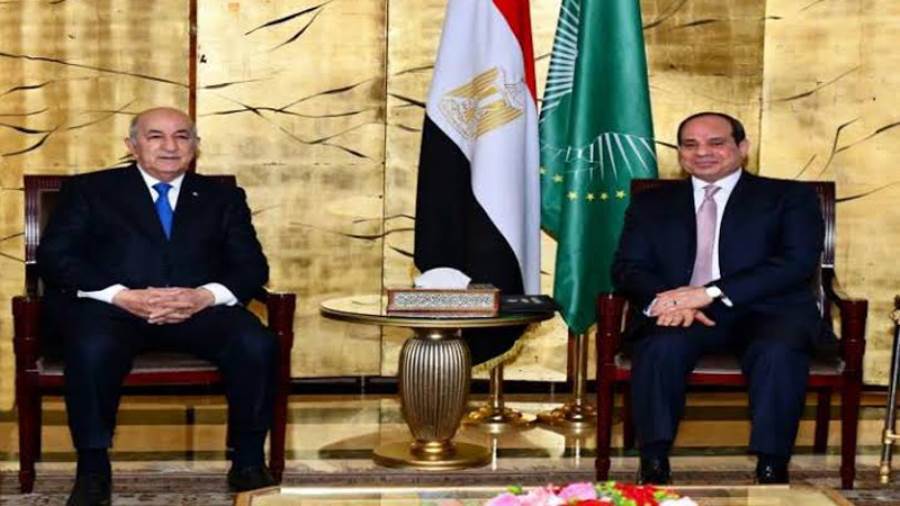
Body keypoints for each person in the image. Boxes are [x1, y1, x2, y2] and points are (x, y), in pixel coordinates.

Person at [37, 107, 278, 506]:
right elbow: (56, 256)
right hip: (115, 308)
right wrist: (121, 295)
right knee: (91, 347)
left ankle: (248, 461)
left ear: (195, 146)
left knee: (257, 342)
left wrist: (204, 296)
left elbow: (252, 265)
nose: (170, 146)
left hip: (197, 310)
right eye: (155, 136)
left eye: (182, 136)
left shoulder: (222, 197)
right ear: (132, 146)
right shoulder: (90, 190)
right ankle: (93, 470)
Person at [612, 112, 825, 485]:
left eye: (716, 143)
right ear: (679, 153)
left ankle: (772, 464)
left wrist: (706, 293)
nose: (702, 152)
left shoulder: (788, 197)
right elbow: (629, 267)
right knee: (660, 346)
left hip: (767, 311)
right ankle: (654, 460)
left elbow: (796, 263)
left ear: (742, 148)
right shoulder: (652, 203)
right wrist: (664, 302)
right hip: (681, 314)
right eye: (690, 144)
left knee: (777, 351)